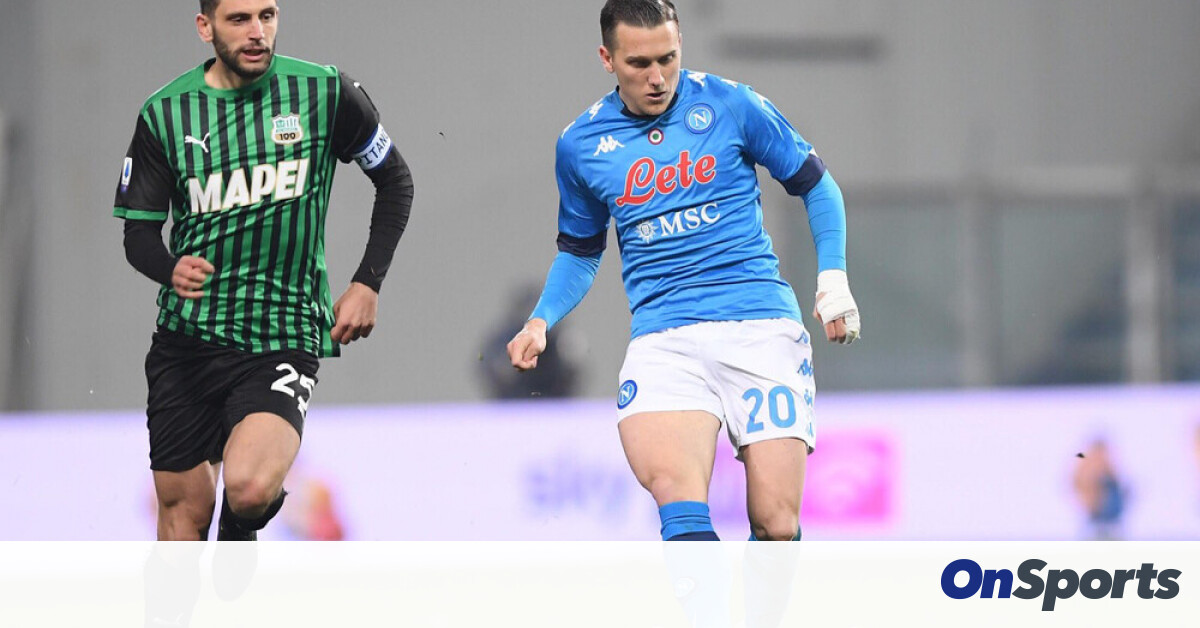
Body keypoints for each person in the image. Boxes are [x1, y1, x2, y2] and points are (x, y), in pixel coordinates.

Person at [507, 0, 860, 543]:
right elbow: (580, 251)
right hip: (665, 341)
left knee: (776, 524)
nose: (657, 78)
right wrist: (541, 320)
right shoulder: (580, 144)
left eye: (667, 59)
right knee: (682, 509)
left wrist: (832, 280)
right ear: (607, 58)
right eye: (639, 64)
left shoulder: (732, 103)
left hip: (759, 326)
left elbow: (816, 184)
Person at [114, 0, 413, 541]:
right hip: (186, 343)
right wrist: (170, 269)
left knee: (249, 489)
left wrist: (367, 282)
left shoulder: (325, 92)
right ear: (204, 27)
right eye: (239, 19)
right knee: (183, 518)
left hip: (283, 334)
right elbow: (138, 234)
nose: (257, 32)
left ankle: (241, 527)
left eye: (267, 15)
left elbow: (395, 180)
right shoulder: (165, 113)